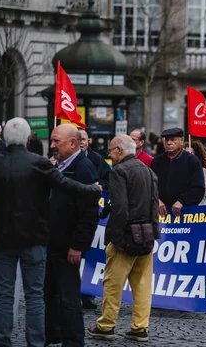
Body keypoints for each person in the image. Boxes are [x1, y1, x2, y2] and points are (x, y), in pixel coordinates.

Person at [0, 118, 101, 347]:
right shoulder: (39, 163)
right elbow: (66, 185)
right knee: (35, 296)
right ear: (28, 139)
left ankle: (3, 342)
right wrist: (93, 190)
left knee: (4, 295)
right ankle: (36, 343)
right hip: (35, 240)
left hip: (3, 240)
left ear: (4, 138)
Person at [86, 135, 159, 343]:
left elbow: (120, 209)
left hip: (125, 237)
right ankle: (140, 327)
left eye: (110, 151)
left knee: (112, 284)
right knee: (143, 286)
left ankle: (106, 326)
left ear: (119, 150)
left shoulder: (119, 171)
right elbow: (154, 206)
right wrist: (154, 233)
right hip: (146, 235)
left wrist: (115, 239)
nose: (109, 155)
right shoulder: (149, 171)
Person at [45, 123, 100, 346]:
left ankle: (73, 341)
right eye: (52, 140)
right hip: (52, 242)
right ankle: (53, 334)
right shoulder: (58, 165)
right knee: (50, 294)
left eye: (56, 141)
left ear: (73, 143)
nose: (52, 145)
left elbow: (89, 213)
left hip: (68, 246)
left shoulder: (83, 168)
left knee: (68, 298)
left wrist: (77, 245)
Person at [79, 129, 111, 309]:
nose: (81, 142)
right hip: (75, 213)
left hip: (95, 215)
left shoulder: (97, 159)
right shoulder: (67, 159)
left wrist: (100, 186)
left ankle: (88, 295)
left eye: (83, 139)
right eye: (78, 139)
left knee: (91, 256)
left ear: (88, 141)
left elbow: (109, 179)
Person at [151, 128, 205, 217]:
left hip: (184, 214)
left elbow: (198, 189)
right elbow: (150, 185)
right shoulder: (157, 161)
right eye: (167, 140)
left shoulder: (192, 161)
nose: (168, 143)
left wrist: (182, 201)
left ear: (181, 140)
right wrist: (157, 199)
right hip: (160, 214)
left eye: (173, 140)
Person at [185, 140, 206, 205]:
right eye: (186, 153)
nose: (188, 155)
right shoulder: (181, 170)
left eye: (191, 153)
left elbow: (201, 192)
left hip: (197, 209)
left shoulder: (203, 171)